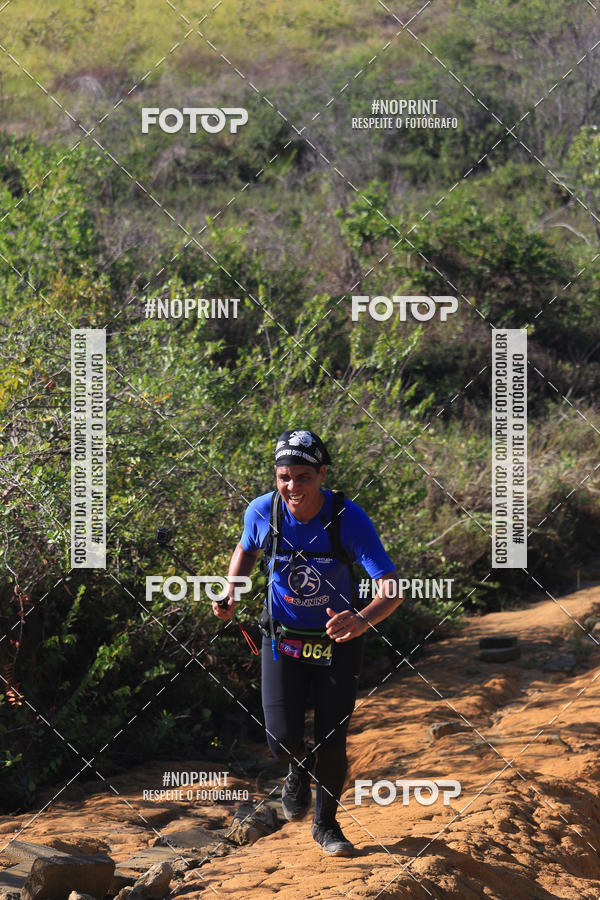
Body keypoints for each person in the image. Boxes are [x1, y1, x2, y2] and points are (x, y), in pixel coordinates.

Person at [212, 429, 401, 856]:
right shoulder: (263, 511)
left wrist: (360, 620)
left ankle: (327, 827)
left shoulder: (348, 518)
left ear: (321, 474)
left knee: (333, 739)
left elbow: (391, 588)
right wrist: (231, 593)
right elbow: (246, 549)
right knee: (280, 742)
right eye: (284, 477)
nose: (293, 487)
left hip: (339, 643)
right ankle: (298, 765)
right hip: (283, 641)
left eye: (303, 477)